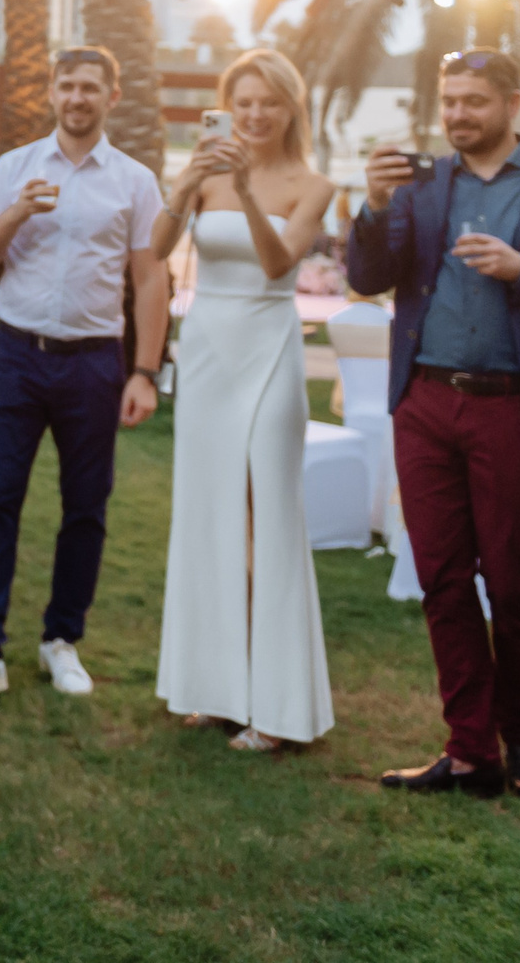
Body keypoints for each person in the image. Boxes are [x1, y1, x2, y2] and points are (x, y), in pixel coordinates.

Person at [346, 48, 520, 802]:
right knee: (439, 576)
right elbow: (367, 277)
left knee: (509, 578)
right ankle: (469, 749)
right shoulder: (422, 182)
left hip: (516, 404)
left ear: (512, 101)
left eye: (475, 101)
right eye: (450, 102)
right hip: (427, 402)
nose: (459, 114)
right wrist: (372, 206)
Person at [0, 49, 169, 704]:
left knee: (86, 507)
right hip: (18, 353)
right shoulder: (16, 168)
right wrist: (16, 213)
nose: (77, 97)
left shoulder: (135, 180)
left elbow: (151, 278)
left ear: (111, 95)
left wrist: (144, 373)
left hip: (96, 361)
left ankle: (60, 641)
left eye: (90, 87)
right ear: (52, 93)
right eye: (67, 85)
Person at [149, 49, 338, 749]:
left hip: (268, 348)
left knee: (269, 519)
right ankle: (213, 685)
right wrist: (187, 184)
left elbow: (278, 261)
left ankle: (279, 710)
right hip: (207, 350)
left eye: (270, 103)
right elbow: (154, 248)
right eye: (244, 101)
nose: (256, 115)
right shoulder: (204, 171)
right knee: (207, 514)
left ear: (291, 109)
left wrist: (247, 194)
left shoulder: (313, 183)